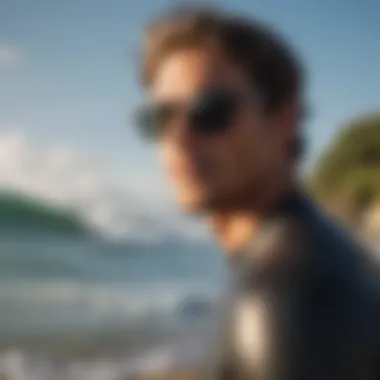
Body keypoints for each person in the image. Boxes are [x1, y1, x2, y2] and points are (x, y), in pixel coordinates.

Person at [133, 5, 380, 379]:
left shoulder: (291, 298)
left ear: (284, 117)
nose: (178, 138)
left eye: (210, 111)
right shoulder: (306, 254)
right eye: (161, 117)